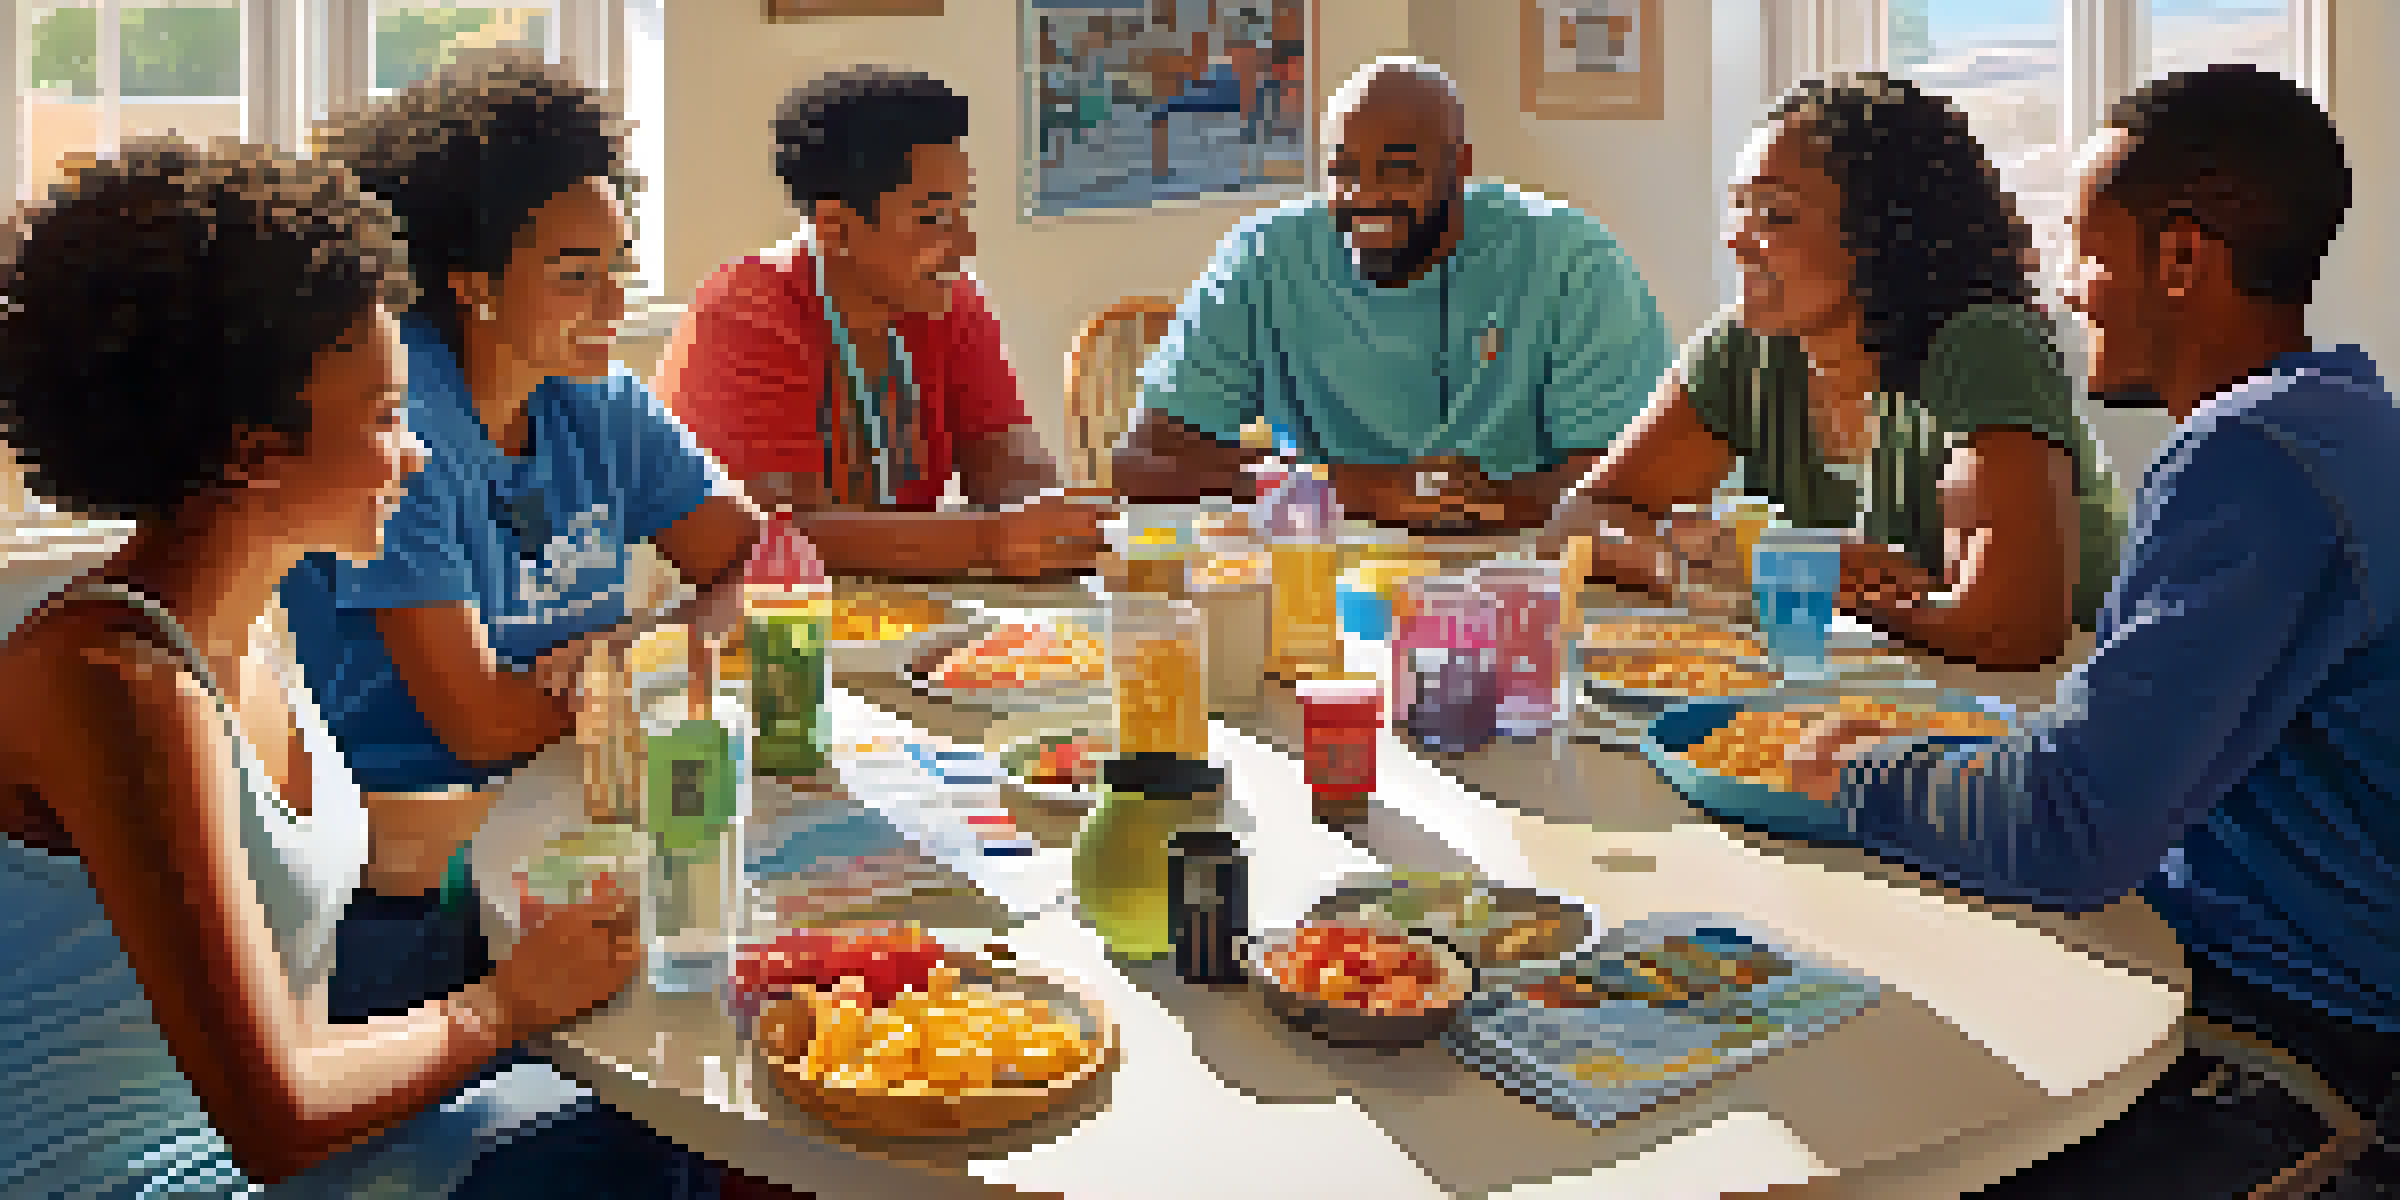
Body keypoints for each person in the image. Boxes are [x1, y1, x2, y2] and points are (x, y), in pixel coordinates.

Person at [0, 136, 654, 1199]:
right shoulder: (115, 684)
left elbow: (322, 863)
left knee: (635, 1101)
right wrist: (510, 1001)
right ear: (254, 454)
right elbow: (283, 1121)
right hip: (148, 1181)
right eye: (387, 419)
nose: (418, 456)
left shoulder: (251, 624)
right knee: (633, 1140)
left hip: (252, 1161)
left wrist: (596, 842)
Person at [1786, 66, 2400, 1194]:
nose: (2070, 289)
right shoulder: (2339, 423)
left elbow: (2067, 828)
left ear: (2180, 260)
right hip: (2232, 983)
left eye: (2088, 248)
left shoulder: (2253, 459)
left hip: (2289, 1053)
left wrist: (1855, 771)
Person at [281, 50, 762, 1051]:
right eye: (575, 277)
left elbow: (752, 561)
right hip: (419, 888)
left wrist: (626, 648)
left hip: (578, 833)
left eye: (618, 270)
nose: (615, 309)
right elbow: (480, 721)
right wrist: (653, 664)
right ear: (471, 282)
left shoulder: (597, 395)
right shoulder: (399, 432)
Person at [1544, 72, 2127, 670]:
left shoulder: (1983, 345)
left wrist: (1792, 572)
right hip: (1884, 698)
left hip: (2057, 709)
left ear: (1883, 232)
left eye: (1775, 215)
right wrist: (1739, 565)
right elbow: (1576, 524)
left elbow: (2008, 629)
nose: (1736, 240)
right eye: (1738, 208)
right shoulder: (1747, 346)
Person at [1112, 56, 1671, 533]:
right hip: (1321, 577)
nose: (1364, 196)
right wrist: (1349, 488)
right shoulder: (1262, 258)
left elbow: (1627, 490)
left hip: (1534, 572)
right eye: (1342, 171)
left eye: (1399, 172)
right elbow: (1142, 463)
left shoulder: (1574, 263)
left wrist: (1457, 503)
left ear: (1462, 168)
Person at [658, 66, 1105, 580]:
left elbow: (1005, 459)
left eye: (965, 214)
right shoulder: (744, 318)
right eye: (934, 220)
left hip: (904, 616)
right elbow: (778, 538)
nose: (964, 248)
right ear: (835, 227)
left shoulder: (949, 300)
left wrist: (1048, 518)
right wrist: (990, 542)